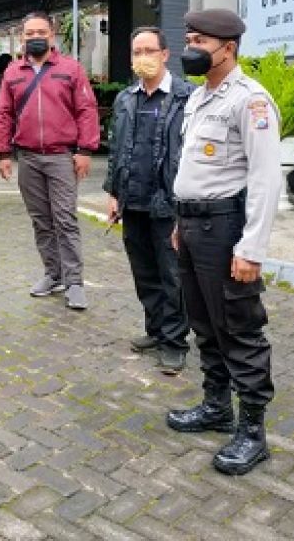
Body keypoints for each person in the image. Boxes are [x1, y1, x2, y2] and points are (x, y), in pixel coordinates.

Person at [165, 8, 281, 476]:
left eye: (200, 41)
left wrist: (251, 249)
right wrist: (181, 222)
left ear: (227, 48)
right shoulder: (198, 98)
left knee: (239, 327)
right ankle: (216, 406)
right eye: (188, 39)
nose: (190, 48)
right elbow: (194, 168)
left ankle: (253, 431)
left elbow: (266, 178)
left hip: (225, 229)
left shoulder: (250, 101)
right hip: (193, 226)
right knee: (204, 324)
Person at [0, 11, 100, 310]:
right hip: (28, 158)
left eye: (41, 32)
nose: (35, 37)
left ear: (52, 36)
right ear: (22, 38)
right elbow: (3, 113)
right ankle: (53, 273)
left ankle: (74, 282)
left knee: (65, 219)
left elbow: (86, 110)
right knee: (41, 220)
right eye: (30, 34)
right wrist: (3, 153)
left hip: (61, 156)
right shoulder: (13, 72)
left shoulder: (71, 69)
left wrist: (85, 150)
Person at [104, 27, 194, 374]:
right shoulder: (126, 99)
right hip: (133, 200)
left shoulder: (187, 98)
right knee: (144, 273)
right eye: (137, 52)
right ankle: (155, 331)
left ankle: (174, 342)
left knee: (173, 275)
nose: (142, 58)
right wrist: (114, 193)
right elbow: (116, 150)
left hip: (169, 202)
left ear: (165, 54)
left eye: (149, 51)